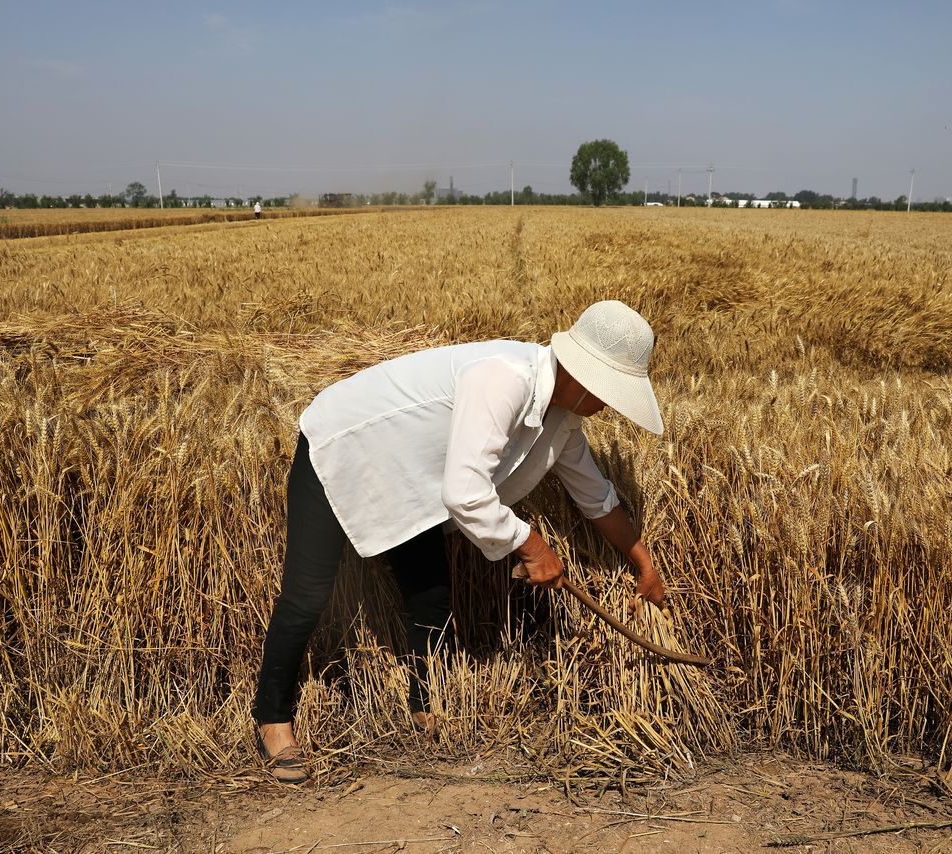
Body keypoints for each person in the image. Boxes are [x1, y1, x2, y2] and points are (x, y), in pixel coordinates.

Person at [253, 300, 667, 783]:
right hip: (344, 446)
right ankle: (273, 718)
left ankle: (422, 708)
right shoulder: (504, 378)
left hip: (412, 477)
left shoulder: (563, 420)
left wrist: (643, 562)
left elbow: (596, 498)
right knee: (308, 594)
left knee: (431, 597)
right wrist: (531, 545)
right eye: (611, 393)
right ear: (584, 377)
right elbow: (465, 491)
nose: (610, 406)